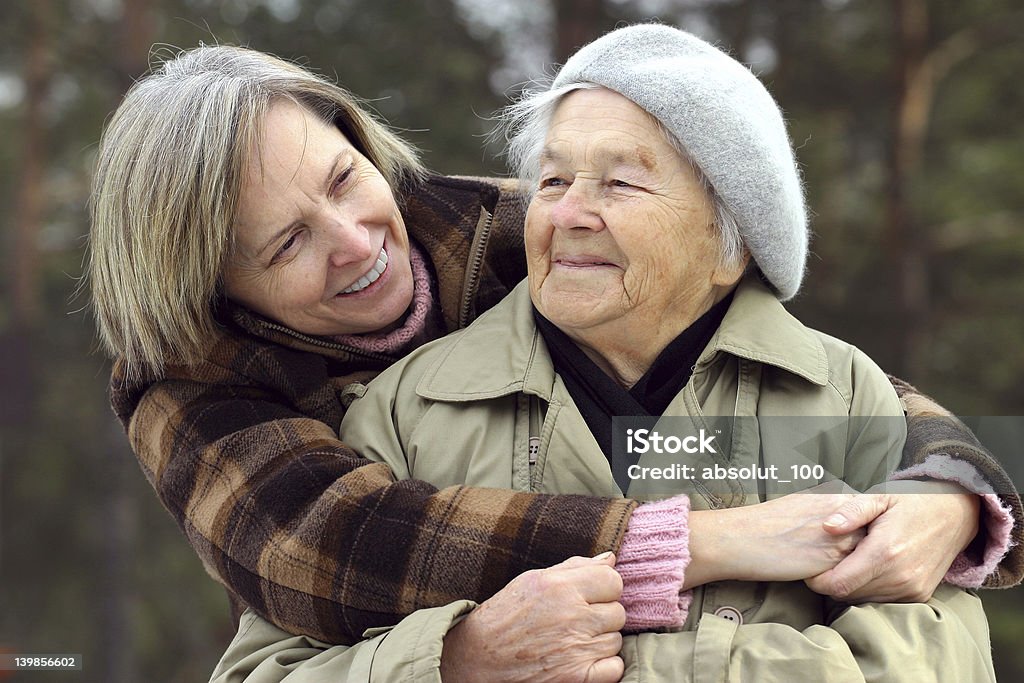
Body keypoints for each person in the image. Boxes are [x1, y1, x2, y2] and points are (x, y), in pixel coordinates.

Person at [84, 35, 1019, 681]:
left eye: (343, 178)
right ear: (218, 292)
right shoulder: (205, 385)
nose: (358, 240)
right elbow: (329, 547)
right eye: (286, 244)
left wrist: (950, 483)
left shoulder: (494, 225)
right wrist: (465, 659)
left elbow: (805, 375)